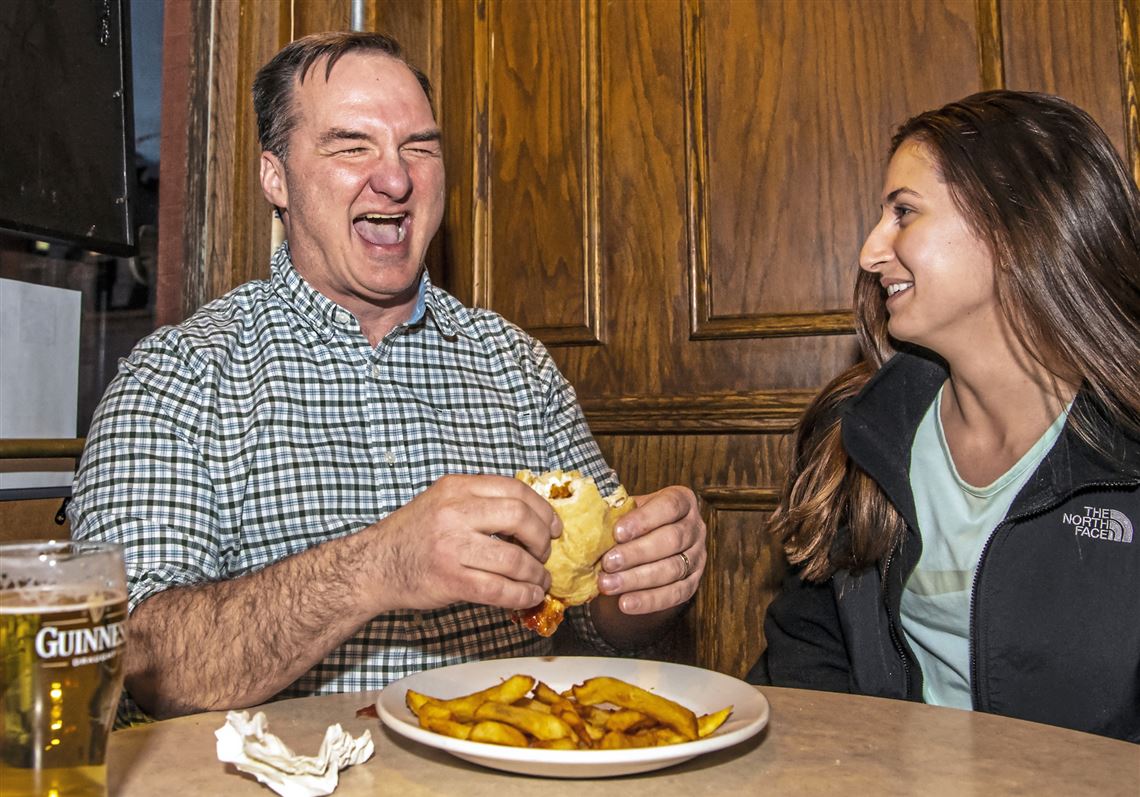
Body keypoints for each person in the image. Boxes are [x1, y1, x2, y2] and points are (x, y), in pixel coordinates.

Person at [69, 31, 706, 721]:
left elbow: (593, 624)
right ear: (275, 178)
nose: (397, 178)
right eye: (351, 145)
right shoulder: (178, 377)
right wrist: (380, 566)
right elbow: (140, 661)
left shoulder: (517, 367)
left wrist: (639, 586)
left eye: (420, 147)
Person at [748, 90, 1140, 742]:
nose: (871, 252)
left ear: (1018, 224)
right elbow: (803, 660)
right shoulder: (860, 432)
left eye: (903, 212)